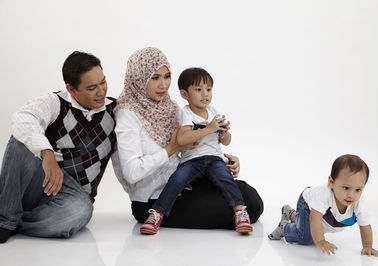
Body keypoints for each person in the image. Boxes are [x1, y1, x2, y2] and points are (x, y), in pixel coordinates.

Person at [112, 47, 263, 232]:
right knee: (248, 206)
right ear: (138, 78)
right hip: (152, 198)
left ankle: (234, 214)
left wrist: (225, 158)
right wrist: (171, 148)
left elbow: (196, 144)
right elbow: (132, 172)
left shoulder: (171, 107)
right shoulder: (127, 115)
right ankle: (156, 216)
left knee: (249, 195)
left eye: (167, 76)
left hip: (188, 181)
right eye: (155, 77)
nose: (163, 85)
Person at [0, 51, 116, 243]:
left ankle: (19, 220)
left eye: (103, 82)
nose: (101, 92)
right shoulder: (55, 102)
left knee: (79, 213)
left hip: (73, 196)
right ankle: (5, 220)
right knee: (22, 141)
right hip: (40, 180)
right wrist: (47, 154)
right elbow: (23, 117)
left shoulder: (115, 111)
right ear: (71, 89)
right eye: (92, 87)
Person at [139, 67, 252, 235]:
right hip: (192, 161)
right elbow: (182, 139)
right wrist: (209, 128)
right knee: (176, 180)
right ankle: (157, 213)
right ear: (185, 94)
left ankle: (240, 212)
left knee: (227, 179)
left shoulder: (213, 112)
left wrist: (223, 132)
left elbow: (226, 142)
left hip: (214, 159)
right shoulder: (186, 113)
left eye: (208, 89)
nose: (205, 94)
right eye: (198, 90)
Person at [268, 154, 378, 256]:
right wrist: (320, 241)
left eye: (358, 190)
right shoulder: (323, 195)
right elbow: (315, 219)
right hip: (307, 205)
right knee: (306, 237)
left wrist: (368, 246)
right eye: (346, 188)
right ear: (331, 182)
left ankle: (293, 215)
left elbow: (365, 226)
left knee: (311, 230)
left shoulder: (359, 204)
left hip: (320, 216)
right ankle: (285, 227)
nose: (351, 195)